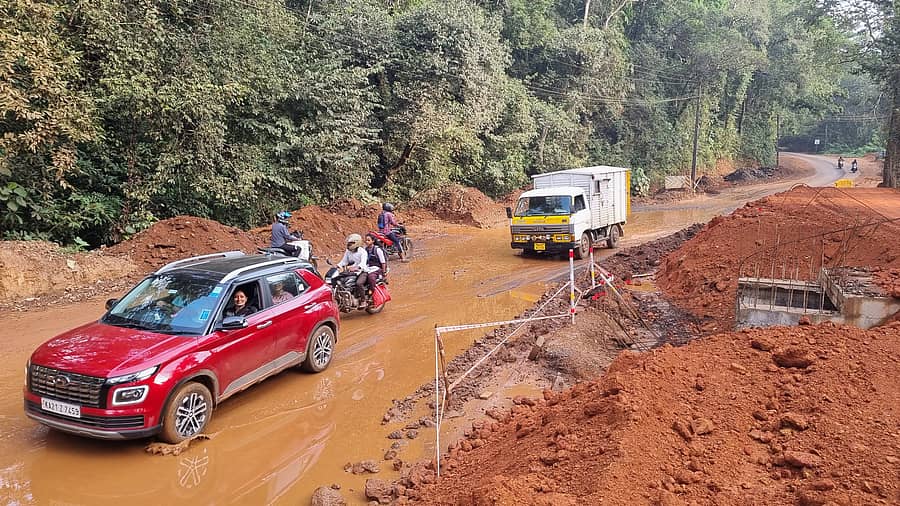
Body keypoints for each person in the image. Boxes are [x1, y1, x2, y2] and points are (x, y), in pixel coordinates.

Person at [337, 233, 368, 307]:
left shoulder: (362, 252)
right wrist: (338, 265)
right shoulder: (348, 251)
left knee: (359, 283)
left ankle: (363, 301)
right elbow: (344, 261)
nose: (349, 245)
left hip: (362, 272)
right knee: (341, 282)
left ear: (357, 243)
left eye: (351, 243)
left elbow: (363, 264)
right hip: (351, 272)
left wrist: (356, 267)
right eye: (349, 243)